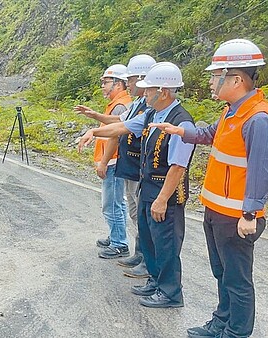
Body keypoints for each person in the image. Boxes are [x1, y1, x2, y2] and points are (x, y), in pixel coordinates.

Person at [151, 39, 268, 338]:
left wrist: (249, 213)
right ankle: (221, 321)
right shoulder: (231, 111)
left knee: (237, 277)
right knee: (222, 272)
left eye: (215, 75)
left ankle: (237, 331)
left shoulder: (258, 118)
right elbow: (209, 135)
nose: (210, 81)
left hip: (236, 216)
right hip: (217, 209)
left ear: (235, 79)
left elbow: (261, 170)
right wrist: (180, 130)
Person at [79, 62, 195, 308]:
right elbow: (123, 126)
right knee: (150, 237)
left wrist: (162, 199)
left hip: (166, 191)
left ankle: (171, 292)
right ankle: (156, 281)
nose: (145, 93)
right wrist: (94, 131)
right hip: (148, 186)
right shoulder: (152, 114)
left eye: (149, 89)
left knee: (166, 242)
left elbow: (177, 167)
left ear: (163, 91)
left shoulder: (181, 123)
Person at [75, 64, 131, 259]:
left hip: (114, 162)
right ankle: (117, 235)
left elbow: (115, 136)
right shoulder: (118, 103)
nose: (103, 86)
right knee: (118, 202)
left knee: (111, 204)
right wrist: (95, 115)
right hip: (114, 161)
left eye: (106, 82)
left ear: (118, 83)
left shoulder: (121, 104)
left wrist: (104, 162)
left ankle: (119, 243)